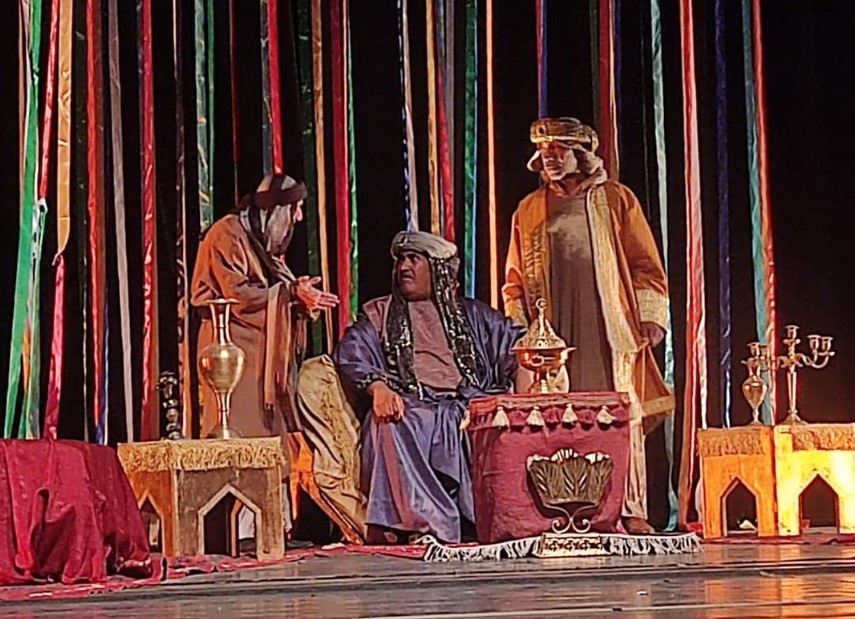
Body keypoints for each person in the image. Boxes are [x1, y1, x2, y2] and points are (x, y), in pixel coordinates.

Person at [503, 117, 675, 535]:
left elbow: (646, 265)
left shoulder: (616, 199)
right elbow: (515, 280)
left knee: (618, 413)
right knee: (558, 415)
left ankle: (629, 509)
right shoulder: (529, 209)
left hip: (607, 328)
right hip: (552, 332)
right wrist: (520, 330)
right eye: (544, 151)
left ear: (580, 154)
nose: (549, 158)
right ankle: (564, 511)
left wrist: (650, 317)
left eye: (558, 149)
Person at [331, 231, 523, 544]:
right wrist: (377, 387)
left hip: (467, 404)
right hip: (412, 405)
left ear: (439, 269)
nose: (404, 267)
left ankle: (493, 521)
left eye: (414, 259)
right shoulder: (379, 313)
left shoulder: (473, 315)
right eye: (400, 260)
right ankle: (416, 525)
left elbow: (516, 345)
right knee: (390, 423)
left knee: (493, 419)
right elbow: (352, 352)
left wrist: (532, 369)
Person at [191, 173, 338, 547]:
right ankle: (236, 532)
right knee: (238, 434)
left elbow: (276, 289)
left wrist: (298, 297)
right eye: (296, 209)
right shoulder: (226, 235)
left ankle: (268, 528)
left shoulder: (260, 246)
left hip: (263, 357)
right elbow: (237, 295)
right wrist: (291, 294)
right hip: (231, 353)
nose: (299, 218)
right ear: (276, 210)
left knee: (270, 437)